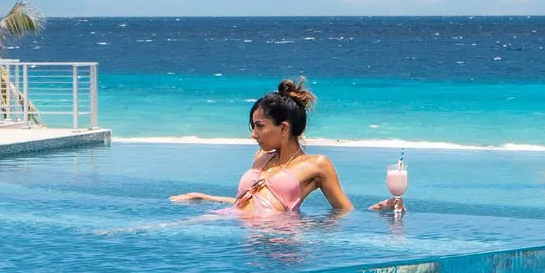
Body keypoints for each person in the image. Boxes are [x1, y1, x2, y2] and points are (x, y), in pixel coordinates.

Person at [169, 79, 405, 214]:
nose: (253, 134)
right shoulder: (261, 158)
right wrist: (204, 197)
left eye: (260, 126)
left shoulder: (317, 165)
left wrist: (380, 210)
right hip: (235, 228)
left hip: (278, 241)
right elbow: (250, 205)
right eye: (253, 126)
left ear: (283, 128)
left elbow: (344, 213)